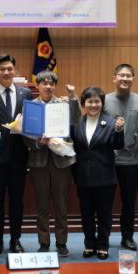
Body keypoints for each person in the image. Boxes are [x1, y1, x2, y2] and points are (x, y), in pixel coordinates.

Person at [0, 54, 33, 255]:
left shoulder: (26, 93)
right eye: (2, 69)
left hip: (19, 156)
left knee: (17, 200)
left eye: (9, 68)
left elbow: (31, 121)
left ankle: (15, 239)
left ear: (14, 70)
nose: (6, 72)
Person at [22, 71, 80, 257]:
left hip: (61, 161)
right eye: (44, 83)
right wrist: (38, 143)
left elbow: (76, 120)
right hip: (38, 162)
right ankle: (44, 242)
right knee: (42, 206)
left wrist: (73, 98)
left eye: (51, 83)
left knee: (61, 205)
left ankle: (61, 243)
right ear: (37, 85)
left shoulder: (63, 105)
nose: (48, 86)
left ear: (55, 86)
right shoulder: (30, 107)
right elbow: (25, 135)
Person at [72, 86, 125, 260]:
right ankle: (89, 244)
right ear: (84, 104)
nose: (93, 105)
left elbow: (117, 145)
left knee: (104, 213)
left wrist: (119, 131)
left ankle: (103, 245)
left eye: (97, 101)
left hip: (105, 177)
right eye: (90, 101)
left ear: (102, 103)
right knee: (86, 213)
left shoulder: (111, 122)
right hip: (83, 177)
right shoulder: (78, 123)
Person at [104, 63, 138, 251]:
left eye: (128, 76)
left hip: (132, 160)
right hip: (108, 160)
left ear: (133, 79)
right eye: (121, 75)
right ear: (114, 78)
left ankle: (127, 237)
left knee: (129, 202)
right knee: (105, 202)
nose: (124, 78)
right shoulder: (104, 100)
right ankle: (104, 237)